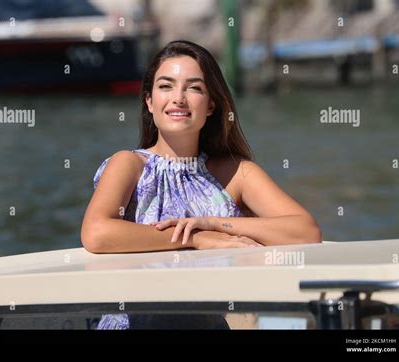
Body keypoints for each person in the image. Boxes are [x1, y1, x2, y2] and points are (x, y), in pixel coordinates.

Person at [81, 40, 322, 329]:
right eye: (166, 86)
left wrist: (214, 224)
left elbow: (305, 231)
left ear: (211, 105)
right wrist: (193, 239)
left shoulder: (235, 172)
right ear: (149, 101)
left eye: (193, 88)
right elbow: (97, 233)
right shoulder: (129, 165)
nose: (178, 98)